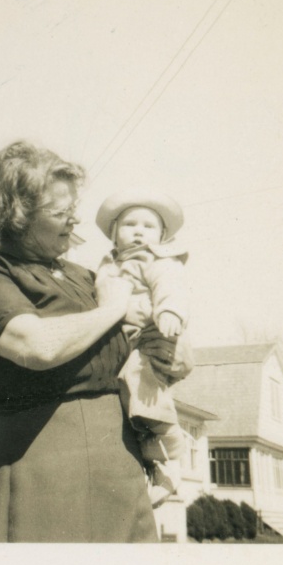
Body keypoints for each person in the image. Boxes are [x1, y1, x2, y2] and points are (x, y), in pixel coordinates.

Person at [0, 141, 190, 543]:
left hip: (120, 465)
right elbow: (36, 346)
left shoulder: (84, 276)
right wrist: (111, 309)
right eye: (60, 213)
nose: (73, 222)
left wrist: (173, 353)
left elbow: (139, 345)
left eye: (73, 211)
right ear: (18, 214)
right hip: (38, 464)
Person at [95, 189, 192, 508]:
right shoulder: (108, 266)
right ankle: (153, 466)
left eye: (148, 226)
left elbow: (171, 285)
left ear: (162, 236)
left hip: (153, 338)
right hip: (126, 343)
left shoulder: (157, 260)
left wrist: (169, 312)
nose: (138, 231)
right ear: (113, 233)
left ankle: (172, 462)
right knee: (133, 403)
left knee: (144, 391)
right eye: (129, 224)